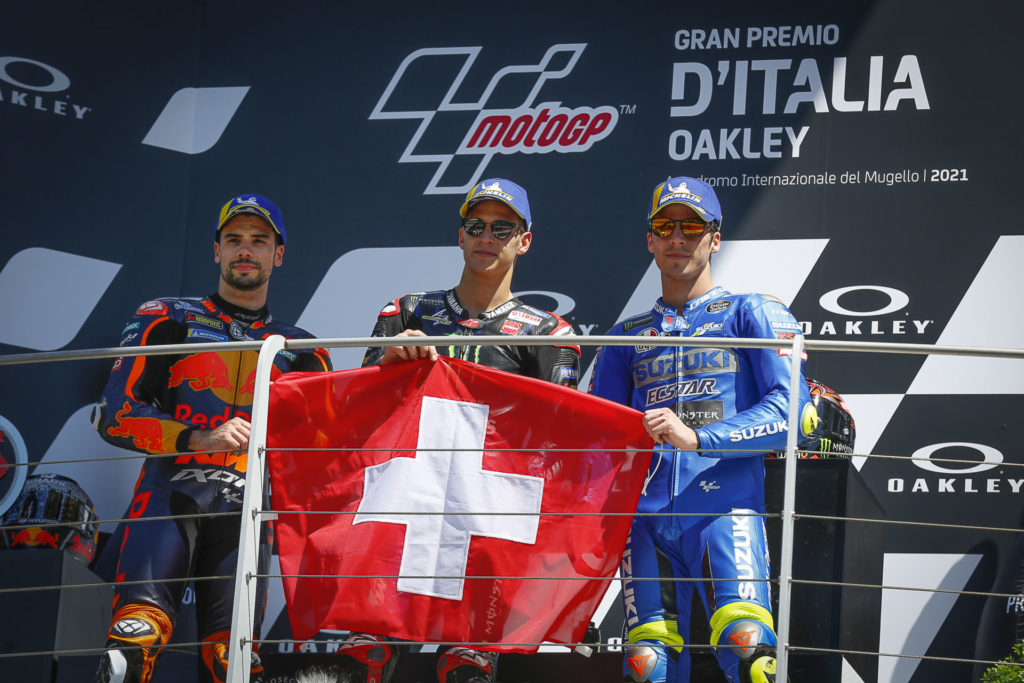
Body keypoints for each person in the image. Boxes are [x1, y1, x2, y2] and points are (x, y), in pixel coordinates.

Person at [336, 178, 581, 683]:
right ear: (461, 235)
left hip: (487, 517)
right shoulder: (407, 311)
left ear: (524, 239)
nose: (487, 236)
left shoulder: (549, 332)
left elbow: (561, 434)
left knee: (463, 670)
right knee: (362, 664)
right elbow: (356, 413)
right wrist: (386, 361)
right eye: (476, 225)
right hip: (403, 508)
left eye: (502, 227)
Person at [92, 194, 332, 683]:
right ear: (216, 251)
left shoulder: (303, 349)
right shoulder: (167, 316)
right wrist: (199, 438)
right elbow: (115, 415)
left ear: (277, 255)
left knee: (233, 665)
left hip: (249, 515)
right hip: (169, 493)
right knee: (131, 647)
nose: (245, 250)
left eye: (259, 241)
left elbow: (323, 455)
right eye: (234, 240)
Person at [588, 176, 815, 683]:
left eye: (691, 226)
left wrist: (699, 438)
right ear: (649, 239)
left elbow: (794, 413)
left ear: (715, 237)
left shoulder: (752, 311)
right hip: (644, 523)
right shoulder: (624, 335)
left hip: (723, 510)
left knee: (750, 649)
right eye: (664, 226)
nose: (677, 237)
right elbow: (598, 438)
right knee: (646, 664)